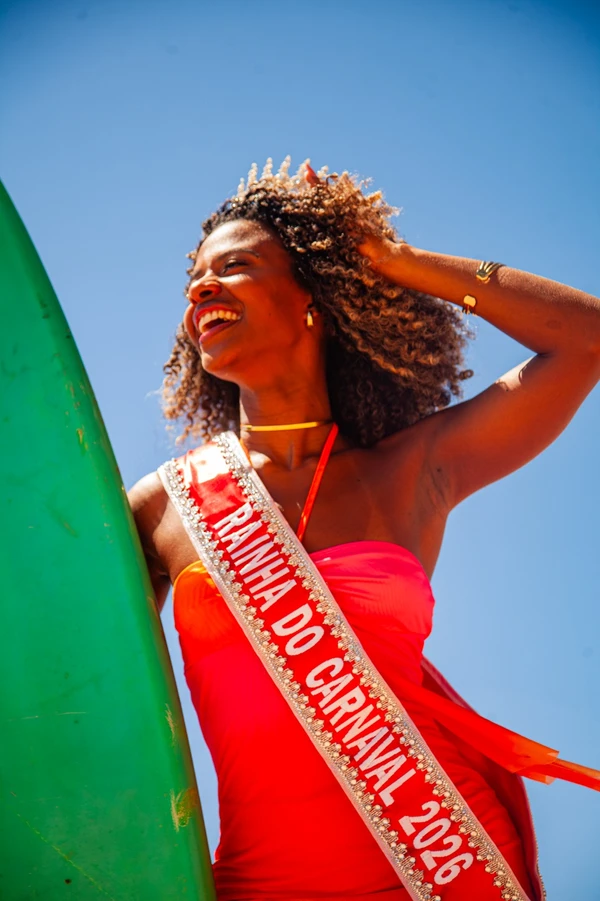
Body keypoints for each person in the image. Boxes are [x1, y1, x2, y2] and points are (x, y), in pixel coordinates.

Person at [129, 157, 600, 901]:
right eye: (195, 276)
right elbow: (72, 676)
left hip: (441, 863)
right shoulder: (163, 508)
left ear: (313, 298)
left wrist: (393, 259)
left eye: (236, 265)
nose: (201, 286)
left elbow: (584, 340)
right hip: (262, 883)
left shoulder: (413, 470)